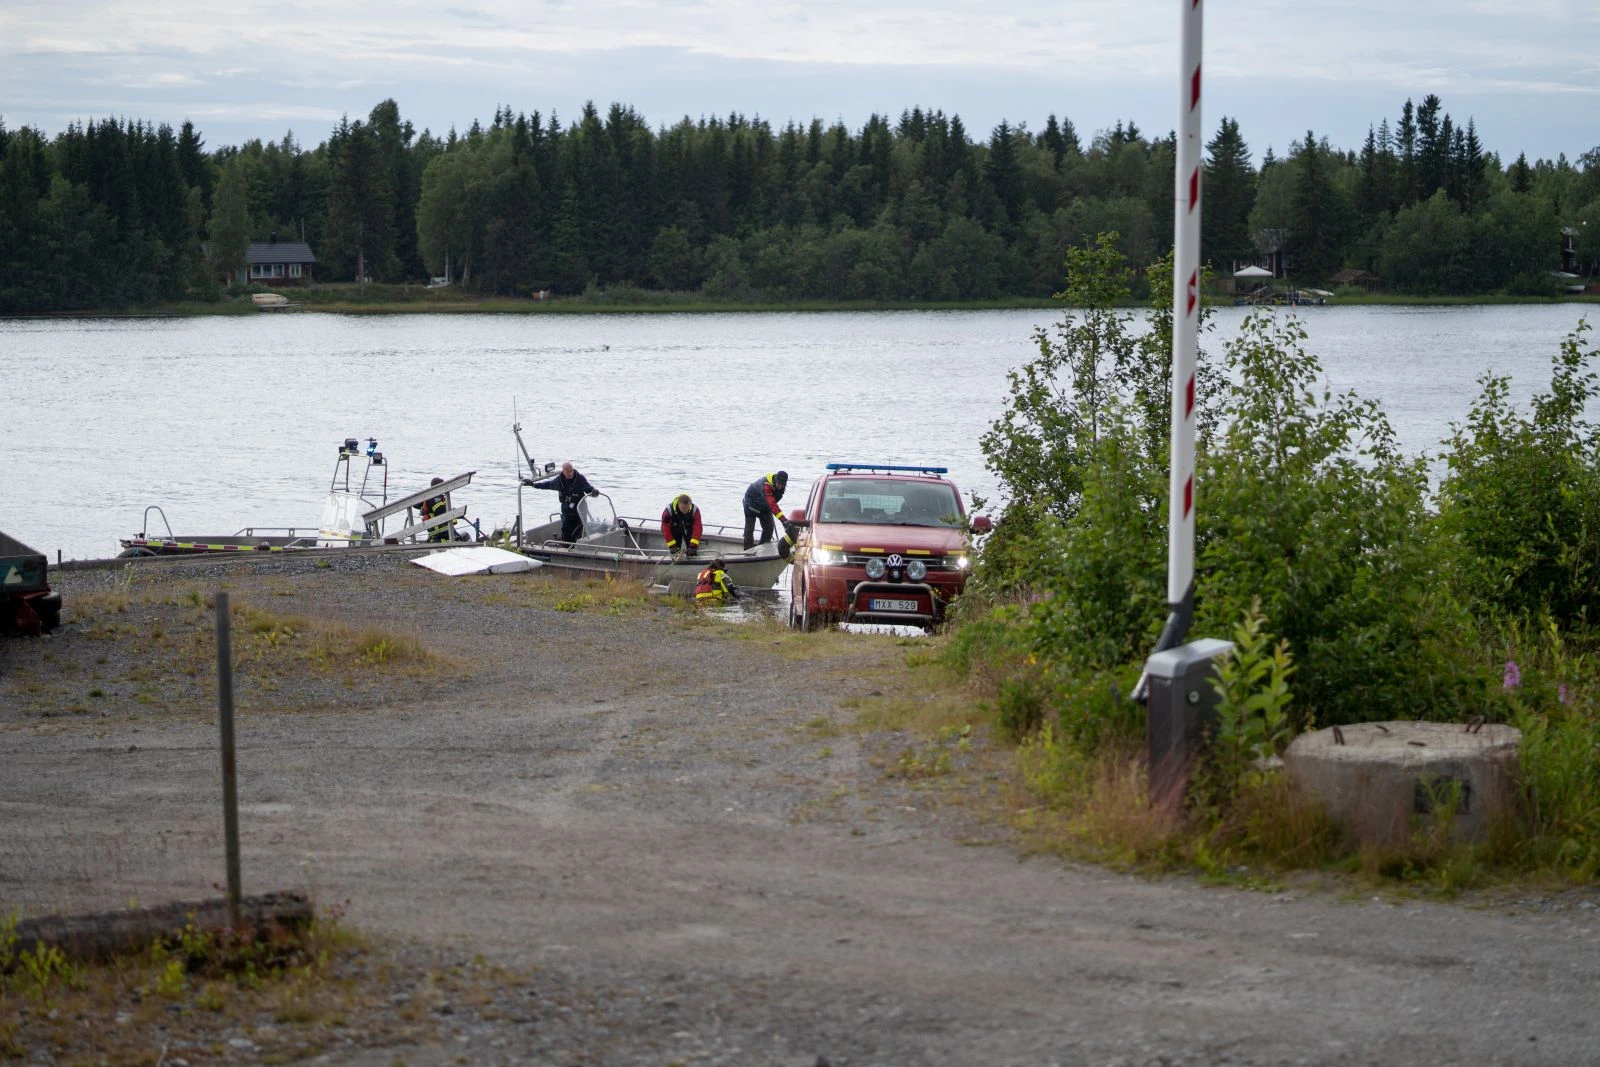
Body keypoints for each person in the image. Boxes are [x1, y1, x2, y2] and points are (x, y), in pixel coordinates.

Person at [525, 461, 600, 543]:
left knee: (580, 529)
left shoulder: (580, 478)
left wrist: (594, 492)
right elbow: (548, 485)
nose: (571, 473)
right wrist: (534, 485)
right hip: (567, 510)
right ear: (563, 472)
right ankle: (567, 545)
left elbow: (589, 489)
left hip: (580, 509)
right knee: (566, 530)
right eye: (568, 472)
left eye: (571, 471)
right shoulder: (559, 481)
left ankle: (580, 544)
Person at [742, 470, 790, 550]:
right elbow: (772, 504)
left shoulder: (780, 488)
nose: (780, 486)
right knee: (749, 530)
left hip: (764, 506)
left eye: (782, 485)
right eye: (778, 484)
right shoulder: (766, 486)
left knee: (769, 529)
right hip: (751, 505)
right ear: (775, 480)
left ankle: (763, 549)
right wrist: (783, 520)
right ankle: (747, 551)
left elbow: (771, 503)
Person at [660, 492, 703, 558]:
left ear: (690, 504)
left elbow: (698, 528)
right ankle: (675, 555)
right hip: (674, 528)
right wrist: (672, 546)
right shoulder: (669, 511)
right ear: (678, 505)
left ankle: (691, 556)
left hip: (689, 528)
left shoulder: (695, 510)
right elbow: (665, 529)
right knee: (675, 550)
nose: (685, 511)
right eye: (683, 508)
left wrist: (693, 546)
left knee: (692, 549)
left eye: (687, 508)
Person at [422, 477, 452, 542]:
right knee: (464, 537)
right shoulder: (435, 498)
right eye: (443, 486)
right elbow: (441, 511)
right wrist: (454, 512)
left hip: (435, 533)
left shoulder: (428, 498)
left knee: (464, 535)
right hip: (442, 533)